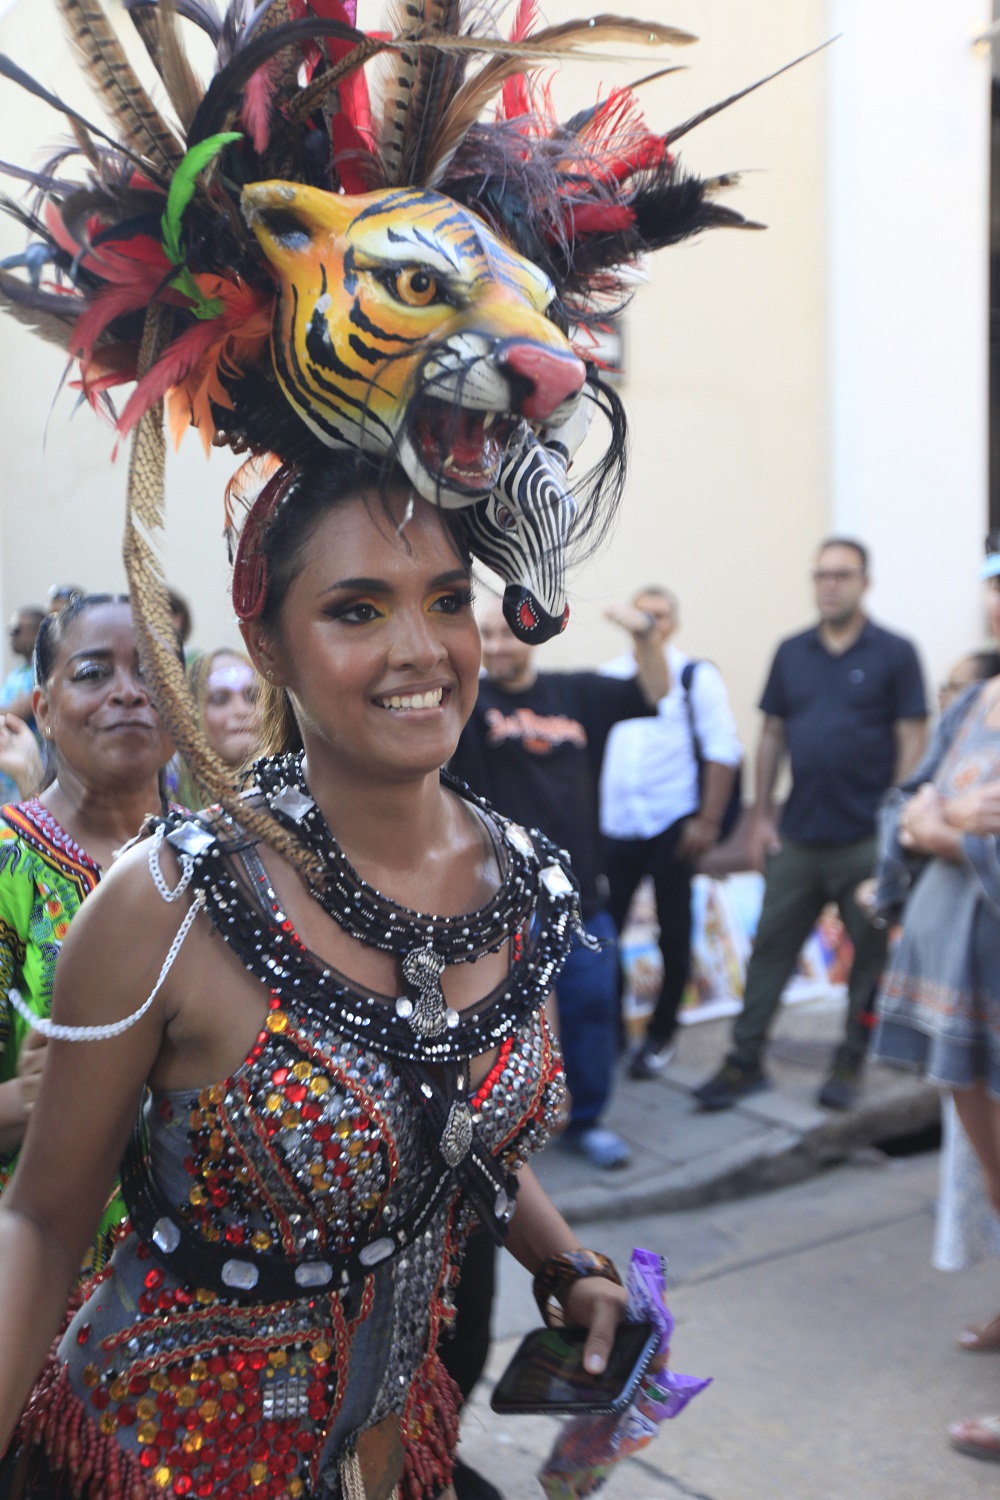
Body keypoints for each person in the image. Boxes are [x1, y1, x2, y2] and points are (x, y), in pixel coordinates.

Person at [0, 460, 628, 1500]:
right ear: (266, 645)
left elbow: (455, 1129)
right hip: (154, 1464)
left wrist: (562, 1264)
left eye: (445, 600)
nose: (420, 649)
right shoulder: (167, 900)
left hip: (389, 1455)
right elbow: (41, 1219)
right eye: (356, 609)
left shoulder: (521, 883)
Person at [694, 538, 928, 1112]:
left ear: (864, 582)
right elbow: (771, 733)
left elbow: (912, 736)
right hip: (797, 834)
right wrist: (761, 816)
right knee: (771, 946)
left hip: (865, 838)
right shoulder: (791, 651)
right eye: (821, 575)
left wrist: (895, 820)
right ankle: (744, 1060)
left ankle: (850, 1060)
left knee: (868, 957)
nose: (829, 584)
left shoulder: (895, 652)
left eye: (842, 575)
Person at [449, 596, 669, 1170]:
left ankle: (588, 1120)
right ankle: (518, 1124)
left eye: (507, 634)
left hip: (577, 897)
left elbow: (654, 690)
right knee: (510, 1023)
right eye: (487, 635)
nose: (497, 646)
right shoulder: (468, 704)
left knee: (593, 1006)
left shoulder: (577, 694)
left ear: (532, 636)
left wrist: (645, 636)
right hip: (502, 903)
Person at [0, 594, 175, 1273]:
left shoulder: (227, 862)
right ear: (43, 709)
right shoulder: (10, 867)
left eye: (152, 674)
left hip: (210, 1310)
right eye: (93, 673)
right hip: (43, 1291)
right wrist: (32, 1096)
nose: (129, 693)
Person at [872, 548, 1000, 1463]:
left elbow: (935, 819)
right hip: (956, 978)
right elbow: (907, 803)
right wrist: (938, 827)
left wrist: (945, 832)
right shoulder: (976, 699)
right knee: (995, 1177)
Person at [599, 585, 742, 1079]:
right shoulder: (609, 678)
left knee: (674, 934)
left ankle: (661, 1036)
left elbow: (724, 749)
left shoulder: (692, 676)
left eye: (658, 617)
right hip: (615, 830)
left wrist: (707, 821)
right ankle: (614, 1033)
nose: (649, 625)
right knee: (603, 936)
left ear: (673, 624)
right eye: (641, 615)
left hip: (671, 826)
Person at [172, 648, 262, 809]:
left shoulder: (300, 789)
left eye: (252, 696)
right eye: (220, 700)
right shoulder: (166, 805)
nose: (241, 710)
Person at [0, 608, 44, 806]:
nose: (10, 634)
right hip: (9, 775)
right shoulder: (16, 674)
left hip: (34, 773)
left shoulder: (42, 672)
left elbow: (16, 713)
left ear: (36, 632)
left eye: (16, 629)